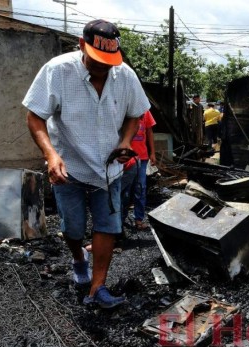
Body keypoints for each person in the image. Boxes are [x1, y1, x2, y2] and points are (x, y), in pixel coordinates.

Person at [22, 19, 150, 309]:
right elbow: (34, 116)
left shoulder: (125, 76)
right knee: (73, 229)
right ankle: (80, 260)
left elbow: (135, 114)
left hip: (109, 171)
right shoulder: (57, 71)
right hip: (70, 170)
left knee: (108, 226)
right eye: (97, 61)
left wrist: (127, 141)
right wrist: (51, 155)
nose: (103, 67)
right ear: (81, 45)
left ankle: (97, 287)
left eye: (109, 62)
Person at [121, 110, 156, 230]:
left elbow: (149, 132)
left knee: (140, 188)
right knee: (124, 191)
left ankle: (139, 219)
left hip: (142, 157)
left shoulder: (145, 112)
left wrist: (152, 153)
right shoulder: (123, 110)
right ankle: (120, 219)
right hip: (126, 158)